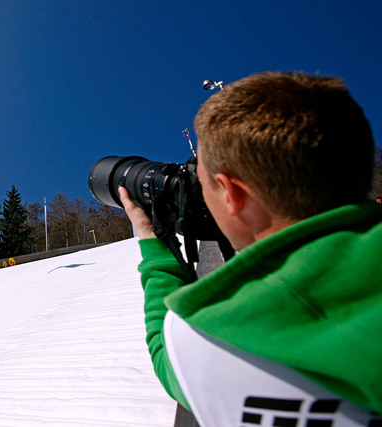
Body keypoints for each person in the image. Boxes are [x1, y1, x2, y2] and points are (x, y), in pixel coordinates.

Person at [120, 71, 382, 425]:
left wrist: (152, 241)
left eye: (203, 183)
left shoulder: (207, 342)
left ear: (232, 193)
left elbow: (167, 354)